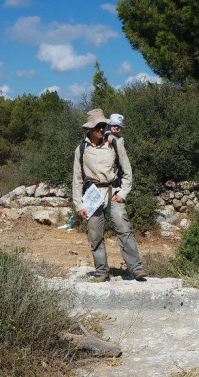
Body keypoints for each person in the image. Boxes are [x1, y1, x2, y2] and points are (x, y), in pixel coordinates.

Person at [73, 108, 146, 282]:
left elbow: (127, 171)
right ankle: (102, 271)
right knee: (95, 234)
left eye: (103, 125)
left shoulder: (114, 144)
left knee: (124, 228)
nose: (101, 129)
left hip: (113, 192)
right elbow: (77, 178)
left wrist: (124, 193)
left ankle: (136, 268)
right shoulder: (81, 149)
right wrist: (79, 204)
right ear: (89, 129)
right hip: (92, 195)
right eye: (97, 126)